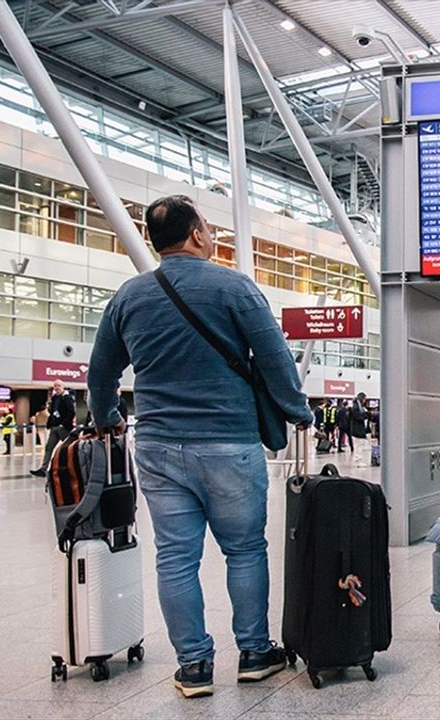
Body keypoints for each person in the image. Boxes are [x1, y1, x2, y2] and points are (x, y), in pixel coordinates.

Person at [85, 194, 314, 699]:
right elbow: (275, 359)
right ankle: (254, 652)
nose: (211, 235)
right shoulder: (234, 287)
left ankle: (193, 666)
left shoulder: (128, 297)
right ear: (196, 235)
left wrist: (108, 419)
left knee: (175, 558)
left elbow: (100, 373)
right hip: (230, 443)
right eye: (208, 228)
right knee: (245, 550)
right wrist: (299, 411)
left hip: (158, 447)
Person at [29, 380, 75, 477]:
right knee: (49, 447)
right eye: (55, 386)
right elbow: (52, 411)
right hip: (54, 427)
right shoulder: (55, 398)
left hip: (63, 428)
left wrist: (63, 424)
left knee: (68, 448)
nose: (56, 388)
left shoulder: (67, 398)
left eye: (58, 386)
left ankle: (72, 467)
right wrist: (50, 424)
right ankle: (43, 469)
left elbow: (71, 412)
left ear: (63, 387)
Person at [349, 392, 371, 466]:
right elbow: (359, 416)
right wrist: (366, 414)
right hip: (357, 430)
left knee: (358, 446)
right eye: (364, 399)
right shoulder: (356, 407)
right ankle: (358, 461)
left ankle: (358, 460)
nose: (365, 401)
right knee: (358, 446)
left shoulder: (358, 406)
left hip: (358, 429)